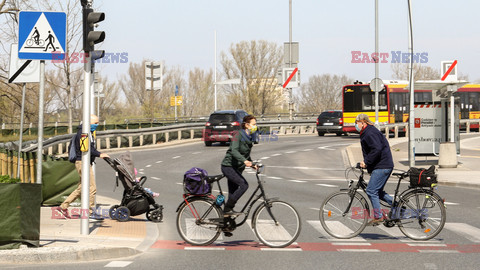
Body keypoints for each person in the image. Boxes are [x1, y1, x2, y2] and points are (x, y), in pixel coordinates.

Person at [55, 115, 109, 219]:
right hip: (83, 162)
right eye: (95, 123)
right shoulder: (83, 133)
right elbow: (86, 148)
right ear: (89, 122)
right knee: (92, 187)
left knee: (81, 187)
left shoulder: (87, 132)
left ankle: (63, 206)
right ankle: (90, 211)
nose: (97, 125)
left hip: (83, 161)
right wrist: (100, 154)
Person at [355, 113, 394, 226]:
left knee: (371, 190)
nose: (355, 125)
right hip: (382, 165)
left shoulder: (370, 132)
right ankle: (399, 207)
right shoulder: (367, 132)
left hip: (382, 166)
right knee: (378, 192)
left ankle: (378, 216)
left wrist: (366, 162)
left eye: (356, 123)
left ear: (363, 122)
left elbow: (376, 149)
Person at [221, 115, 258, 218]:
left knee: (232, 193)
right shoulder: (238, 134)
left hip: (237, 168)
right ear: (246, 125)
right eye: (253, 124)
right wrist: (244, 161)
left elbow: (245, 154)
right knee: (244, 185)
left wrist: (252, 163)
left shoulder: (249, 136)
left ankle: (226, 223)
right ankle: (227, 209)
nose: (255, 126)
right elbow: (234, 151)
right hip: (228, 166)